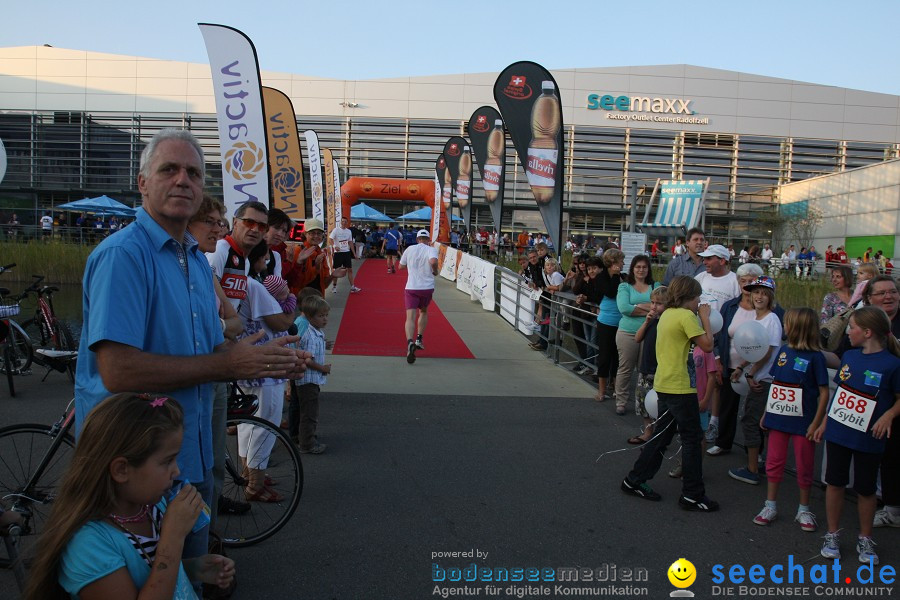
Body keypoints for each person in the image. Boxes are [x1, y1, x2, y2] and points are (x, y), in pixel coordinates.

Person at [75, 129, 307, 570]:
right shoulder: (123, 256)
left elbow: (212, 344)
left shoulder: (194, 261)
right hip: (135, 460)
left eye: (193, 173)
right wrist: (224, 364)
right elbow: (118, 371)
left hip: (191, 452)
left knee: (188, 573)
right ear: (143, 183)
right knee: (137, 578)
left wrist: (271, 357)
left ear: (202, 189)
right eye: (169, 169)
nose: (183, 180)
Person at [25, 394, 235, 600]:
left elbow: (145, 573)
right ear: (122, 470)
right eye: (167, 461)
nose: (177, 471)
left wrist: (194, 569)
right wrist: (173, 538)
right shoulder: (87, 546)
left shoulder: (151, 505)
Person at [621, 276, 718, 511]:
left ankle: (634, 479)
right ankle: (693, 494)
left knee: (662, 437)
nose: (699, 303)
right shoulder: (686, 316)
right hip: (680, 386)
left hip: (665, 383)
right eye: (697, 299)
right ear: (689, 297)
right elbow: (707, 345)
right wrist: (705, 317)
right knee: (692, 439)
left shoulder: (668, 315)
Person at [815, 307, 900, 565]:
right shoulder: (850, 357)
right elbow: (842, 395)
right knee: (835, 482)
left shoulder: (892, 364)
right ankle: (832, 534)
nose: (848, 332)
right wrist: (824, 423)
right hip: (839, 432)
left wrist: (888, 416)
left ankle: (865, 538)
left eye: (851, 327)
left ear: (867, 332)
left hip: (869, 438)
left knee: (865, 489)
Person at [185, 195, 247, 522]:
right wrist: (221, 326)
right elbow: (217, 323)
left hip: (215, 370)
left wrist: (220, 327)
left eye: (220, 222)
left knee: (212, 457)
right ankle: (199, 533)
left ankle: (210, 521)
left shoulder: (200, 264)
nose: (218, 229)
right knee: (193, 462)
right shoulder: (196, 263)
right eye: (210, 221)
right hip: (195, 374)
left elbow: (234, 321)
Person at [752, 308, 828, 531]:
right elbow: (777, 385)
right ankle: (770, 505)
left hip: (803, 421)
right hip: (778, 419)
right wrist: (767, 412)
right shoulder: (784, 352)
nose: (785, 327)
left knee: (804, 465)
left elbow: (824, 391)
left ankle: (804, 509)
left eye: (788, 323)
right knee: (773, 461)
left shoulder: (816, 358)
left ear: (798, 327)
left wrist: (816, 422)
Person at [708, 263, 785, 456]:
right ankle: (723, 442)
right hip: (732, 364)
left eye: (753, 282)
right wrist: (718, 359)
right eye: (744, 281)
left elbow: (774, 342)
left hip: (756, 371)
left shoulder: (772, 313)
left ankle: (756, 453)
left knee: (754, 413)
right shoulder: (730, 306)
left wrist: (749, 369)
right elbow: (719, 335)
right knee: (728, 405)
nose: (748, 286)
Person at [727, 276, 783, 485]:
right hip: (757, 376)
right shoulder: (758, 320)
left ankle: (752, 469)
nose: (759, 296)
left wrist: (750, 374)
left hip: (764, 379)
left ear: (770, 297)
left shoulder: (772, 320)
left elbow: (767, 352)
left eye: (763, 293)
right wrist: (741, 367)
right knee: (758, 422)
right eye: (755, 292)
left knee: (750, 421)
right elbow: (752, 350)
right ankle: (760, 462)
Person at [614, 254, 659, 415]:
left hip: (650, 334)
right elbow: (624, 308)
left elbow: (662, 307)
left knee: (645, 371)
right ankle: (621, 401)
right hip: (627, 333)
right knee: (625, 368)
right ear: (632, 269)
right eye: (638, 267)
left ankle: (644, 402)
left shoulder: (656, 286)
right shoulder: (625, 286)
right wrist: (649, 308)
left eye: (644, 267)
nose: (641, 270)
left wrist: (637, 306)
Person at [207, 200, 270, 310]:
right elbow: (206, 295)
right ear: (235, 223)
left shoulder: (246, 262)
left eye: (261, 226)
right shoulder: (219, 251)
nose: (255, 229)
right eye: (249, 222)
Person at [627, 285, 668, 445]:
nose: (654, 306)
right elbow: (638, 338)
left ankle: (659, 434)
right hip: (645, 367)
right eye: (652, 302)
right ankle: (647, 431)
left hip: (660, 369)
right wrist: (646, 322)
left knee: (658, 403)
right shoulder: (651, 320)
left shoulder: (667, 322)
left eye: (659, 303)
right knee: (642, 401)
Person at [292, 295, 331, 454]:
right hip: (308, 380)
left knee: (307, 411)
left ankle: (306, 437)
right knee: (310, 413)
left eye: (326, 315)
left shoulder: (316, 332)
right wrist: (323, 368)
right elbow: (308, 360)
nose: (325, 319)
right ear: (309, 316)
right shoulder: (310, 335)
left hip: (310, 380)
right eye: (320, 316)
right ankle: (307, 443)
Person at [399, 229, 439, 364]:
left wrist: (412, 265)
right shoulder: (430, 249)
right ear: (428, 240)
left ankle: (409, 342)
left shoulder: (409, 249)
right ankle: (419, 338)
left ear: (417, 239)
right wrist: (435, 271)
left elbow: (400, 266)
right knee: (423, 311)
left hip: (411, 286)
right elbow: (433, 262)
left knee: (409, 317)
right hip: (426, 287)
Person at [593, 249, 624, 408]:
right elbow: (611, 292)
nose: (623, 264)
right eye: (621, 262)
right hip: (606, 322)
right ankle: (602, 390)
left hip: (622, 322)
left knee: (618, 357)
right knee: (605, 356)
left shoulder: (623, 277)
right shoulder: (601, 277)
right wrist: (617, 277)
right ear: (613, 263)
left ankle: (616, 387)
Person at [529, 257, 565, 351]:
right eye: (547, 265)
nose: (549, 267)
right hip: (554, 301)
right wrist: (551, 288)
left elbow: (559, 287)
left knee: (554, 321)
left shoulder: (556, 274)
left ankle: (546, 343)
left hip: (562, 301)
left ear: (556, 267)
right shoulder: (549, 275)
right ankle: (542, 341)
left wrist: (550, 287)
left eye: (552, 265)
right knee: (547, 321)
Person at [695, 244, 741, 311]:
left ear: (722, 261)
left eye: (708, 258)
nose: (704, 262)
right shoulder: (700, 277)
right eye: (704, 259)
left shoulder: (736, 281)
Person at [329, 217, 360, 293]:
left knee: (350, 270)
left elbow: (350, 242)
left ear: (347, 223)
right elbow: (330, 239)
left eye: (345, 222)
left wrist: (354, 253)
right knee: (337, 270)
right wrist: (334, 246)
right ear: (340, 222)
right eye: (342, 221)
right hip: (338, 253)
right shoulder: (336, 230)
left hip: (346, 252)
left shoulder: (349, 231)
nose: (344, 223)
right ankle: (334, 286)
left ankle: (352, 287)